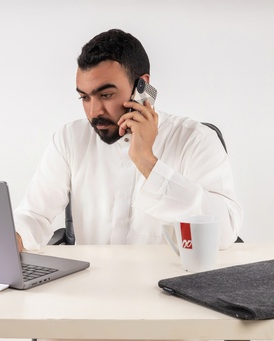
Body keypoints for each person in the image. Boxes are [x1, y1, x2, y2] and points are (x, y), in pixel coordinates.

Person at [14, 29, 242, 252]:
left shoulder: (196, 140)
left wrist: (147, 162)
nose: (94, 111)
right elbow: (34, 214)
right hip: (89, 285)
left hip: (169, 284)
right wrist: (16, 237)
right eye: (84, 97)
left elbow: (224, 233)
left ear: (141, 86)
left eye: (106, 95)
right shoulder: (70, 139)